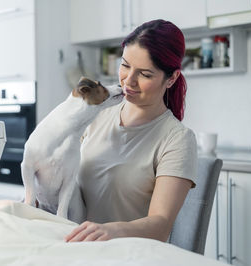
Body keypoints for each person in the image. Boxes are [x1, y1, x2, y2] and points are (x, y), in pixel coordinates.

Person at [65, 19, 198, 242]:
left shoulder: (177, 139)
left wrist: (112, 231)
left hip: (129, 255)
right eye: (125, 65)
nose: (129, 81)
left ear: (171, 78)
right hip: (78, 248)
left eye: (145, 74)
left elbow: (160, 225)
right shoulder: (95, 115)